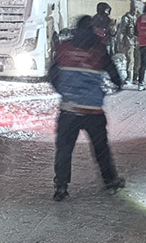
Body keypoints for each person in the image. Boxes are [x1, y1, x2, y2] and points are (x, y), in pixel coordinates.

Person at [50, 15, 126, 201]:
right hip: (93, 111)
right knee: (100, 148)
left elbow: (52, 74)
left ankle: (61, 186)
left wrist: (63, 91)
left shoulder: (64, 47)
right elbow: (114, 74)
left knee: (64, 149)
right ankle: (110, 181)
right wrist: (117, 85)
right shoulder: (98, 49)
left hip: (69, 109)